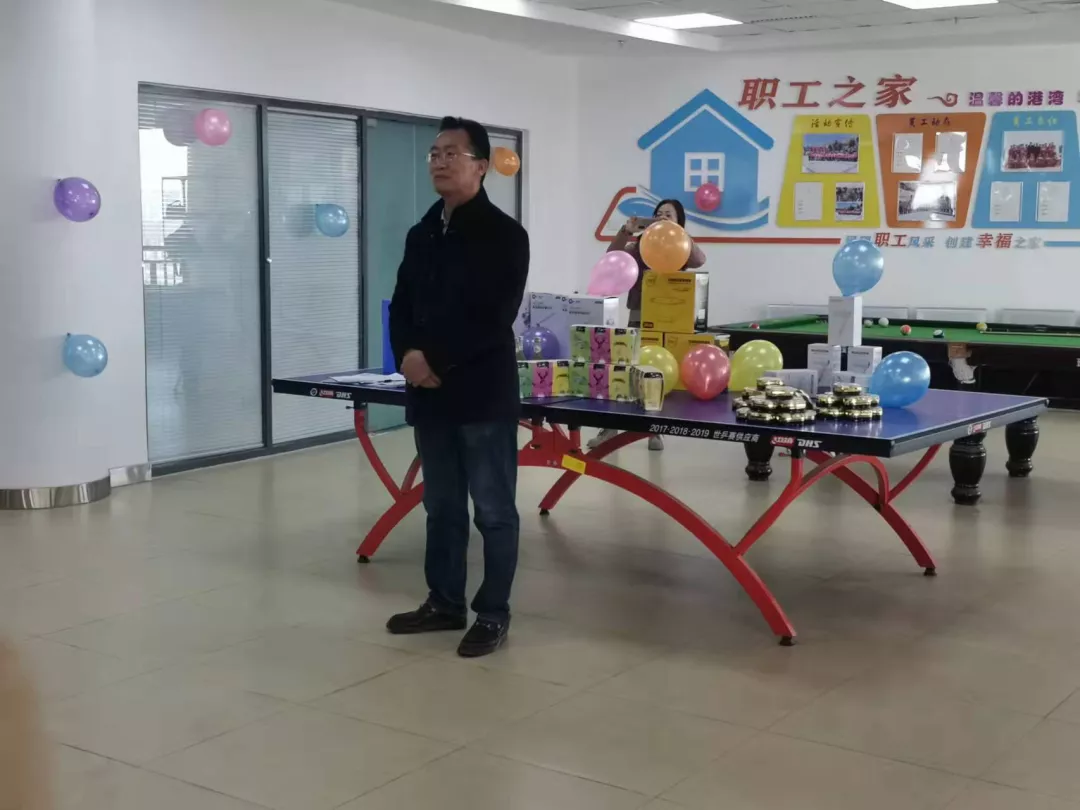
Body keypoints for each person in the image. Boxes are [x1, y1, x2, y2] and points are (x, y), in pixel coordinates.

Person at [386, 117, 529, 658]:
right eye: (434, 154)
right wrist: (407, 356)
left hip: (481, 394)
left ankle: (493, 613)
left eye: (452, 153)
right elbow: (401, 304)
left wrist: (433, 359)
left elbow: (493, 316)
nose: (440, 162)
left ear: (482, 166)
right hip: (430, 395)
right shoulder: (422, 232)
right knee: (441, 506)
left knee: (493, 510)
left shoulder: (504, 235)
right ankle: (444, 602)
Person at [589, 199, 705, 451]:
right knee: (625, 369)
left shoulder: (681, 244)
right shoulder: (640, 245)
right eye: (658, 214)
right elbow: (613, 255)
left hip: (671, 318)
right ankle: (610, 428)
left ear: (679, 221)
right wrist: (627, 230)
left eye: (669, 214)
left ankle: (654, 430)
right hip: (640, 313)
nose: (662, 217)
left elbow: (699, 260)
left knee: (658, 373)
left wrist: (679, 234)